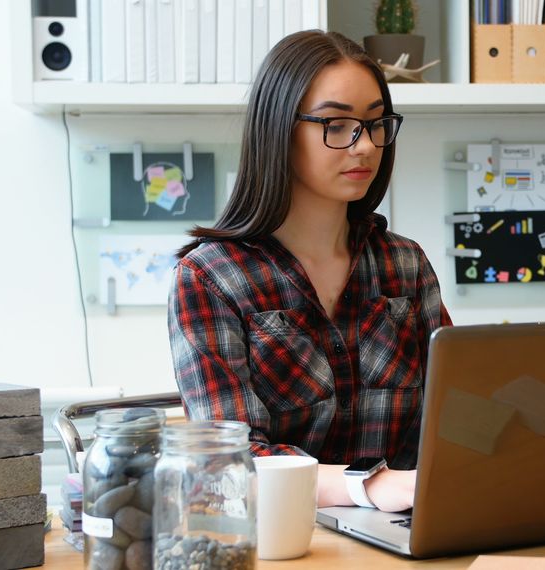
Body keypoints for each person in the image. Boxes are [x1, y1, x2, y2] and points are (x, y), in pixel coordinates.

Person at [168, 31, 451, 513]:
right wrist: (369, 486)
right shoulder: (211, 278)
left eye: (375, 122)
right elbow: (230, 463)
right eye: (336, 124)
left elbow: (454, 418)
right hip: (281, 537)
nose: (363, 146)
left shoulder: (406, 267)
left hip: (408, 530)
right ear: (278, 129)